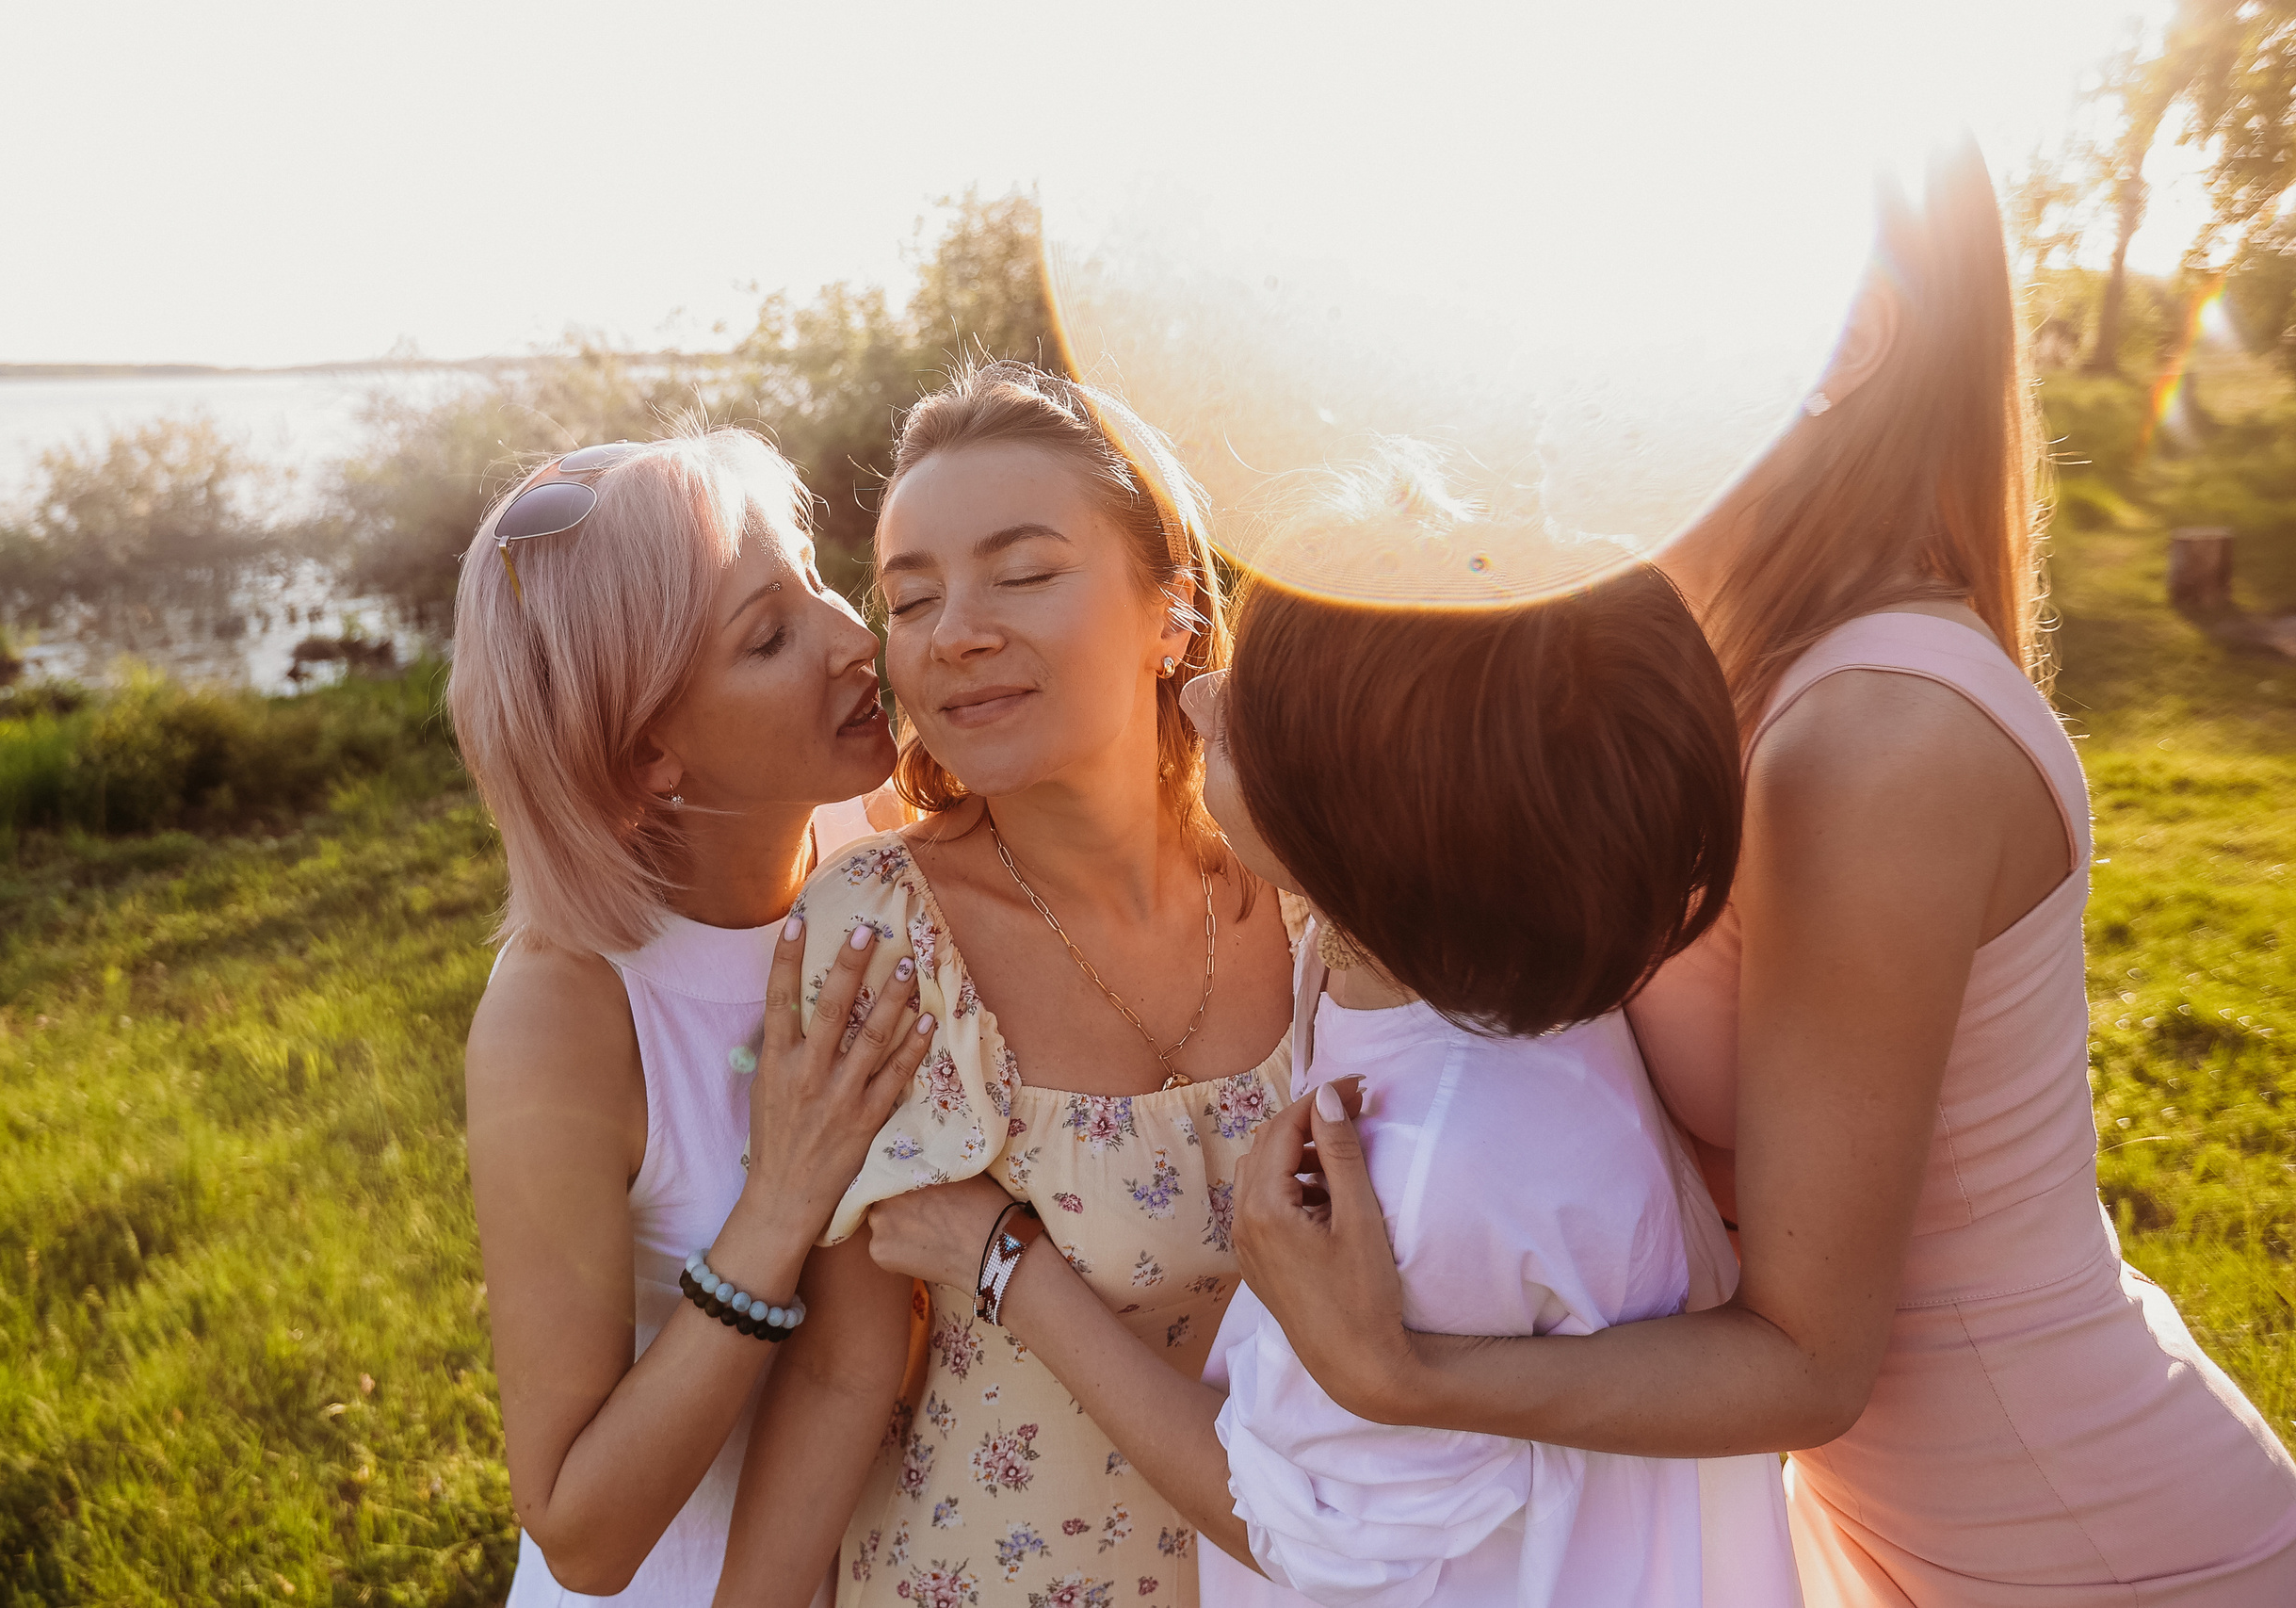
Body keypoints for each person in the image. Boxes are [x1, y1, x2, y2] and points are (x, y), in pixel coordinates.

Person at [1226, 139, 2296, 1604]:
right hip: (1888, 1532)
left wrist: (1403, 1373)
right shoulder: (1725, 680)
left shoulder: (1875, 735)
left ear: (1844, 338)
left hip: (2077, 1543)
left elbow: (1810, 1357)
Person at [844, 444, 1810, 1607]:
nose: (1198, 695)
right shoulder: (1427, 967)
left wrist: (1004, 1264)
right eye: (906, 597)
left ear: (1363, 808)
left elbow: (1304, 1531)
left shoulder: (1422, 1169)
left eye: (1249, 700)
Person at [712, 363, 1299, 1608]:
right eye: (909, 597)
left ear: (1174, 617)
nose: (954, 632)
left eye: (1023, 572)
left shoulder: (1317, 898)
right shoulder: (882, 934)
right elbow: (844, 1368)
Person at [450, 430, 937, 1604]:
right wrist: (776, 1208)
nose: (849, 636)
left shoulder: (876, 849)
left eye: (817, 579)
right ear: (646, 752)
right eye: (768, 636)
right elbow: (580, 1533)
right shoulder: (563, 1017)